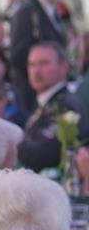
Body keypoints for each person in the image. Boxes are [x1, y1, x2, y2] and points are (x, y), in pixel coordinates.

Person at [19, 41, 89, 171]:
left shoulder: (67, 105)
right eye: (32, 64)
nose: (36, 71)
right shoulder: (44, 102)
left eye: (44, 63)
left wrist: (11, 144)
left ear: (64, 67)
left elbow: (47, 153)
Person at [10, 0, 69, 113]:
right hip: (33, 95)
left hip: (50, 91)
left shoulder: (52, 9)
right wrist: (42, 73)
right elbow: (18, 55)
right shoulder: (27, 12)